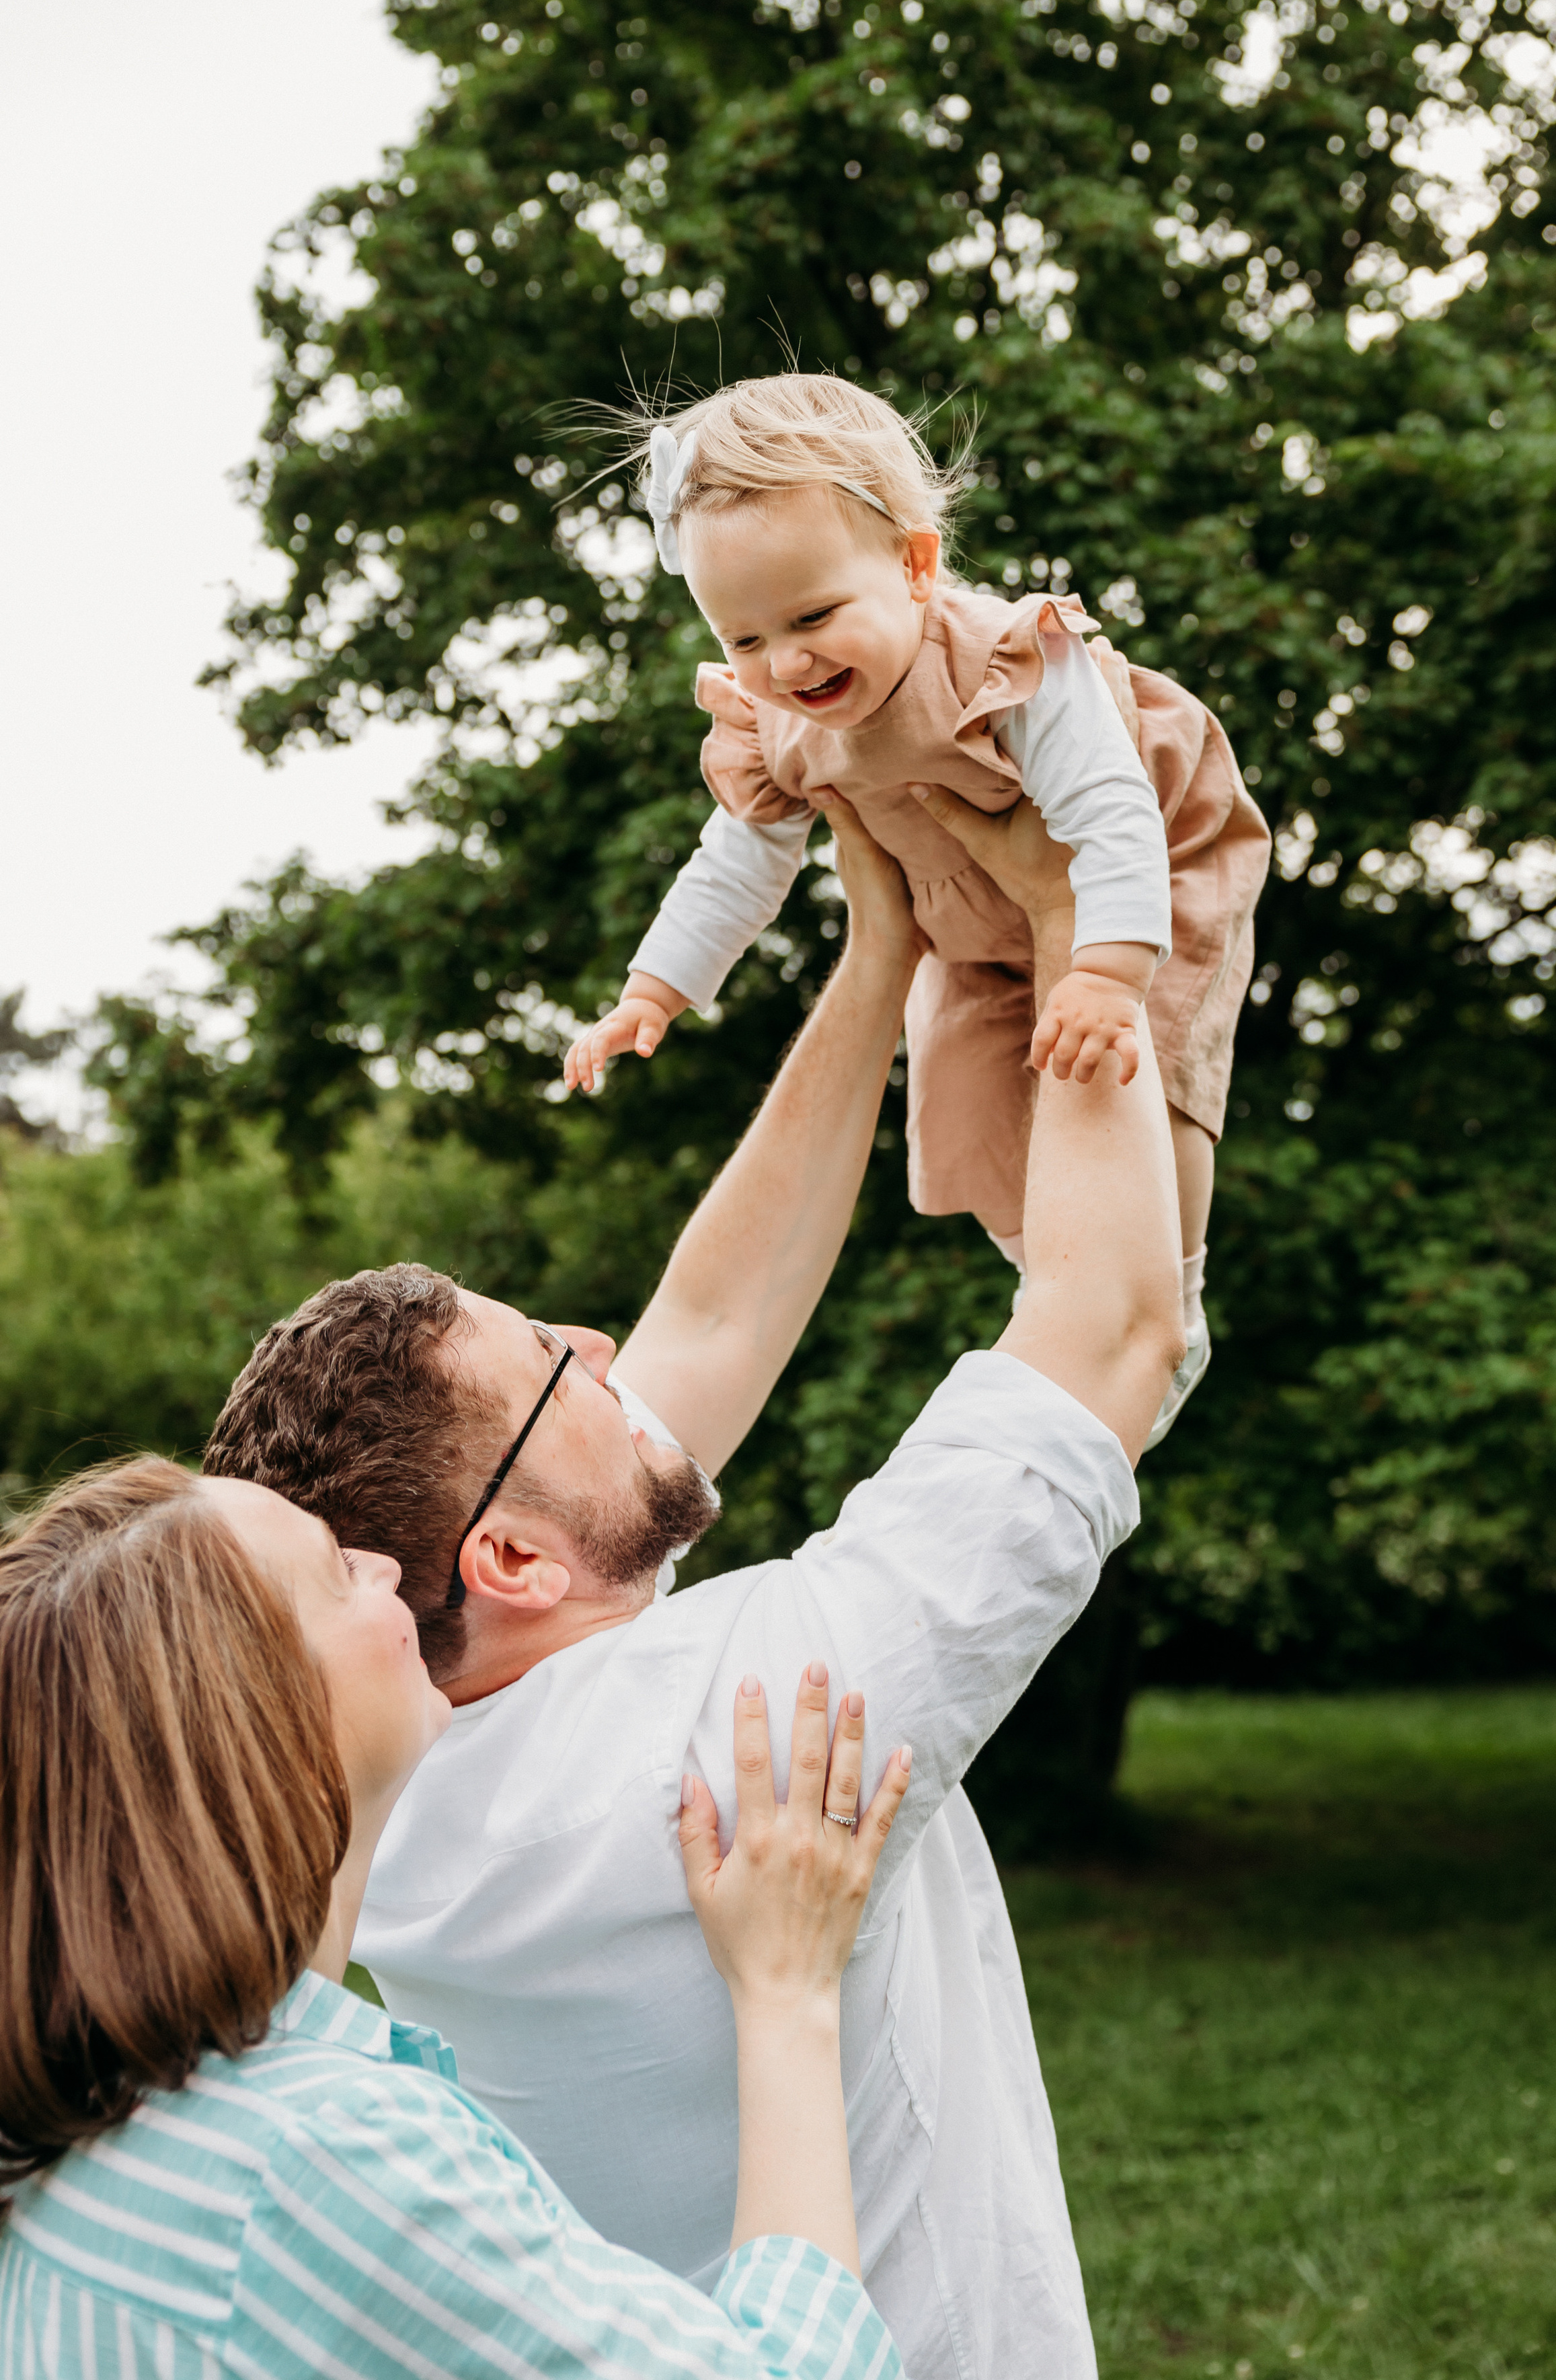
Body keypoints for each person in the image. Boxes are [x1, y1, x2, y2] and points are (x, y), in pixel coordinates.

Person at [203, 790, 1188, 2380]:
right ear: (510, 1560)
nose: (598, 1348)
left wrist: (874, 959)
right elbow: (1109, 1328)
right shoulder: (754, 1724)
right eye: (549, 1364)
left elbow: (716, 1318)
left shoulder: (392, 1758)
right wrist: (1080, 926)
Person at [0, 1450, 911, 2379]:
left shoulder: (102, 2137)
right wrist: (787, 1988)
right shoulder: (317, 2162)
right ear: (268, 1720)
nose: (384, 1565)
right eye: (336, 1569)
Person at [565, 369, 1270, 1438]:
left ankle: (1161, 1297)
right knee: (970, 1110)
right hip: (973, 933)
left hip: (1140, 887)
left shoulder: (1006, 661)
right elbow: (738, 859)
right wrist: (655, 991)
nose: (785, 662)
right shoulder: (780, 722)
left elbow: (1113, 809)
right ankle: (1064, 1296)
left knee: (1134, 1060)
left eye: (813, 615)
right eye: (743, 639)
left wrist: (1107, 973)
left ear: (916, 564)